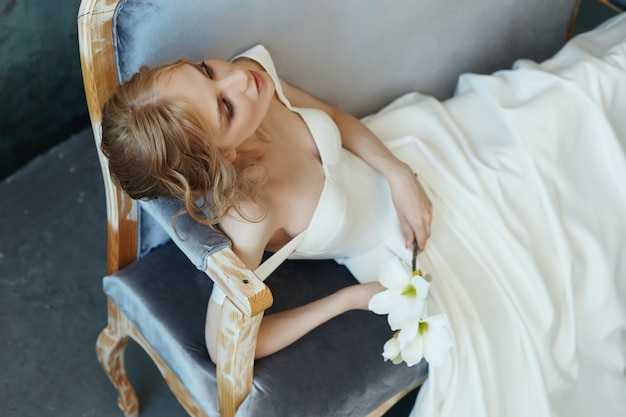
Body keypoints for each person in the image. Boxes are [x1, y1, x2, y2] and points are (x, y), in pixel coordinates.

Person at [101, 13, 626, 417]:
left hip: (415, 149)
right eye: (225, 108)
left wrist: (398, 173)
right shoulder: (252, 217)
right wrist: (349, 300)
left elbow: (331, 118)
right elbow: (226, 345)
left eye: (207, 70)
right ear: (225, 157)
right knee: (561, 276)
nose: (238, 80)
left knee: (570, 104)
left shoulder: (256, 79)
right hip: (408, 241)